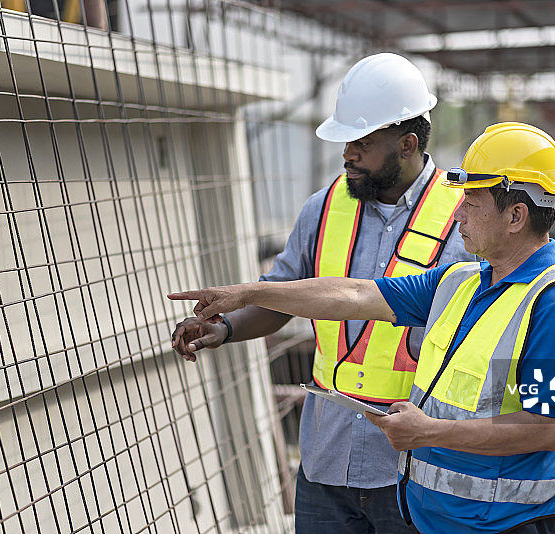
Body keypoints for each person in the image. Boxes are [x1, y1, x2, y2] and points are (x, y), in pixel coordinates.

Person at [168, 122, 555, 534]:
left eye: (472, 202)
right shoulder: (460, 283)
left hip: (501, 525)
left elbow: (545, 427)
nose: (458, 212)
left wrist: (429, 432)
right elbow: (353, 294)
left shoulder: (553, 307)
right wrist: (246, 295)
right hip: (438, 520)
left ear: (516, 215)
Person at [169, 53, 471, 533]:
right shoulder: (324, 207)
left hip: (416, 464)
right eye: (347, 140)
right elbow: (279, 297)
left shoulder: (465, 220)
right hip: (327, 461)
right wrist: (222, 328)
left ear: (408, 144)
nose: (348, 153)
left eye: (363, 143)